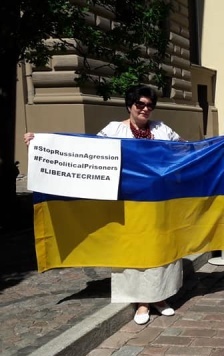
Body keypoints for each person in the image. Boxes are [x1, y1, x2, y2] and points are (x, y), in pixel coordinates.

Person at [25, 85, 182, 324]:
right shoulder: (114, 129)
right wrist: (41, 143)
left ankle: (159, 297)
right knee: (134, 251)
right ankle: (141, 302)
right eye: (140, 104)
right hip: (127, 204)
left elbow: (183, 152)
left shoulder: (162, 130)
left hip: (159, 204)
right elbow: (87, 152)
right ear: (130, 105)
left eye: (150, 105)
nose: (145, 109)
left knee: (160, 249)